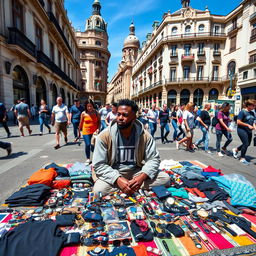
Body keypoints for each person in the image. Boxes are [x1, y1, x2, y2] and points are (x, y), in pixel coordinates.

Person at [92, 99, 170, 196]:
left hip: (136, 172)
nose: (120, 118)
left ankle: (131, 186)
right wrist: (118, 179)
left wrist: (141, 177)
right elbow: (99, 164)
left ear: (134, 118)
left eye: (125, 115)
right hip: (113, 172)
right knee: (99, 190)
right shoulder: (104, 136)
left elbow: (154, 159)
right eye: (118, 114)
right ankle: (130, 186)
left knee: (165, 179)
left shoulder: (144, 136)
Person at [232, 100, 256, 165]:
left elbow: (253, 122)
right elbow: (238, 122)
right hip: (241, 130)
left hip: (249, 130)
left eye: (254, 105)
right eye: (253, 105)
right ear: (248, 105)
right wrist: (248, 125)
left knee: (248, 144)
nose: (254, 106)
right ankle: (242, 158)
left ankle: (236, 149)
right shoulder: (242, 112)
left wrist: (255, 128)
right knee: (245, 143)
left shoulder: (252, 113)